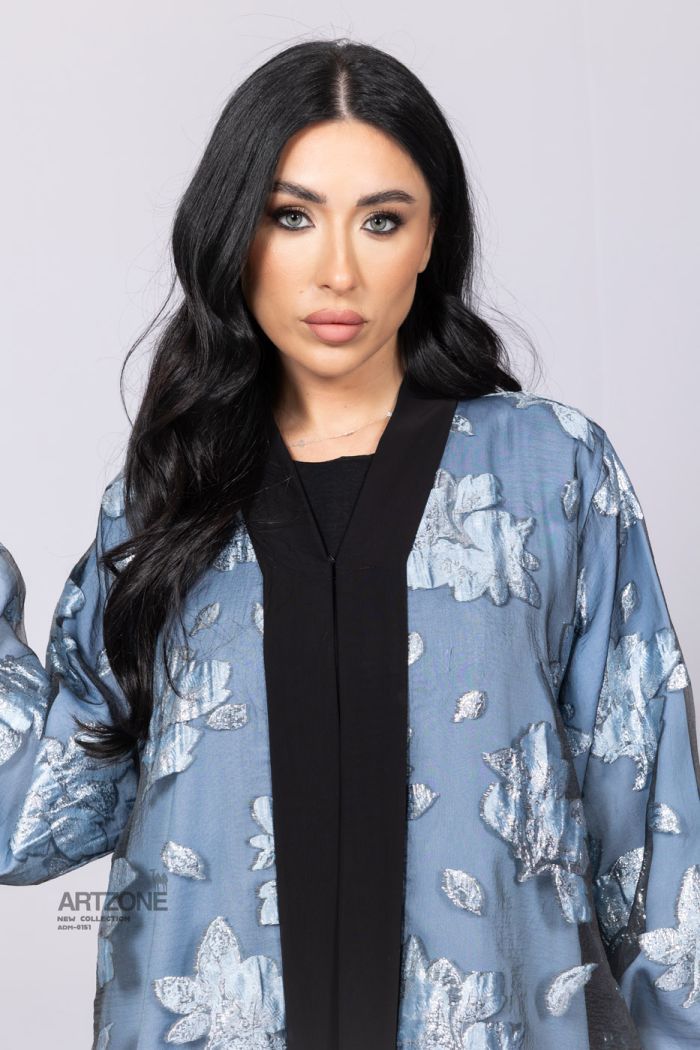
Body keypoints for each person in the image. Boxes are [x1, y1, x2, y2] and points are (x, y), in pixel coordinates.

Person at [1, 36, 698, 1050]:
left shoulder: (548, 475)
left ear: (430, 239)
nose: (337, 270)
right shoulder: (163, 501)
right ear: (235, 233)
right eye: (292, 216)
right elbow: (36, 814)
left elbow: (655, 854)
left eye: (381, 220)